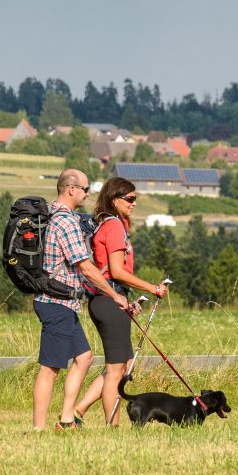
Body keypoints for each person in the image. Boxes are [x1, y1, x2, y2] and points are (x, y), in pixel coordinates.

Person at [32, 168, 128, 431]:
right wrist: (114, 295)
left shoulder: (53, 213)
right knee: (50, 369)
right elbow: (85, 266)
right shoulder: (65, 222)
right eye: (85, 189)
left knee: (84, 358)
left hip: (63, 303)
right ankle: (38, 429)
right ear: (71, 189)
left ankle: (67, 419)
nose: (88, 194)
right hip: (55, 302)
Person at [74, 176, 170, 425]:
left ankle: (79, 411)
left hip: (109, 299)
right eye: (129, 198)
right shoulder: (114, 226)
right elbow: (116, 272)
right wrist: (152, 288)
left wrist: (129, 299)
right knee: (116, 370)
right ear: (114, 200)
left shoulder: (109, 224)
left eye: (135, 198)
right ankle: (112, 426)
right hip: (109, 300)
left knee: (123, 365)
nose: (134, 203)